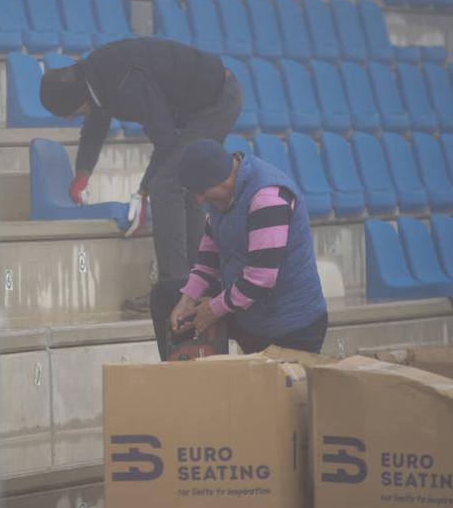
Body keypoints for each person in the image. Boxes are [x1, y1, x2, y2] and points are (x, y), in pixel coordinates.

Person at [39, 38, 242, 312]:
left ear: (77, 100)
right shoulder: (95, 76)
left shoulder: (123, 83)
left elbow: (166, 138)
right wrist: (82, 174)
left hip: (215, 102)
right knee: (185, 185)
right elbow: (96, 121)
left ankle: (176, 291)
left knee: (166, 185)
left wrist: (143, 191)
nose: (80, 115)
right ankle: (198, 285)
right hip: (210, 98)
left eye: (75, 112)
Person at [150, 138, 327, 359]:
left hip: (289, 324)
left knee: (273, 392)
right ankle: (186, 385)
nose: (199, 199)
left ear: (222, 178)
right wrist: (186, 301)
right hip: (249, 313)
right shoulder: (222, 198)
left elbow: (260, 279)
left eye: (202, 192)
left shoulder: (267, 198)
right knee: (166, 295)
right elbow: (207, 260)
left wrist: (212, 309)